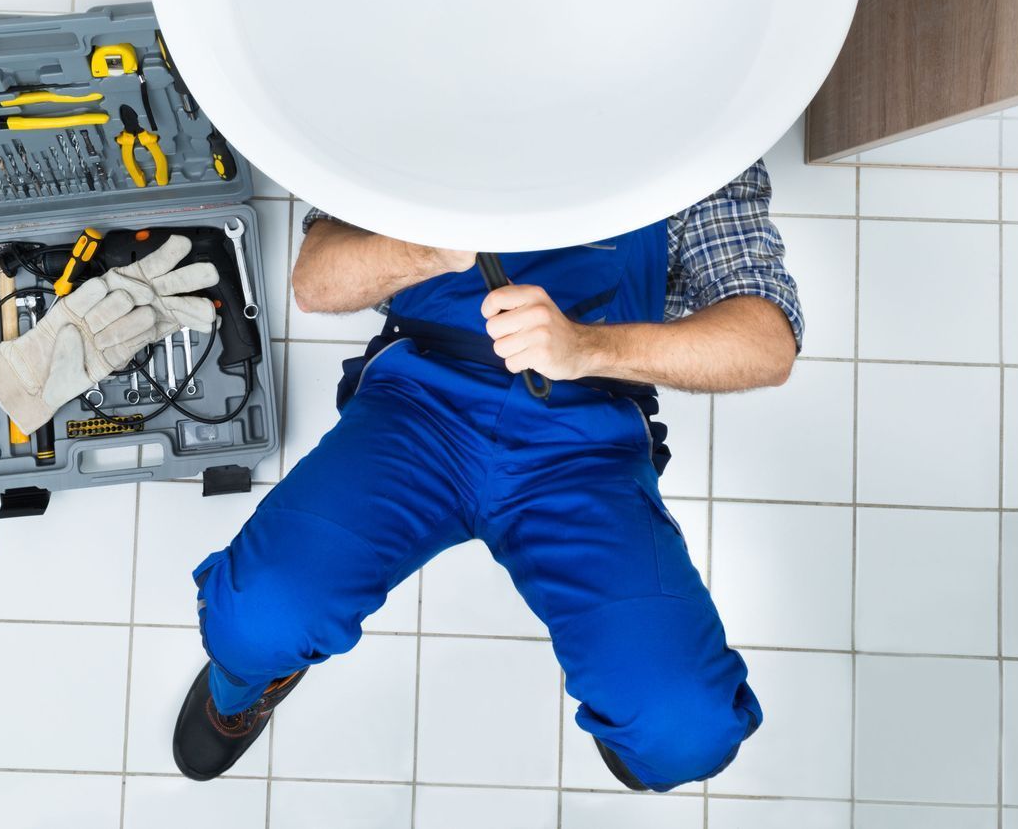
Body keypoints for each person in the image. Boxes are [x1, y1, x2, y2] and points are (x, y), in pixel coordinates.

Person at [171, 163, 803, 792]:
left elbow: (767, 342)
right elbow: (316, 281)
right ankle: (244, 689)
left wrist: (588, 347)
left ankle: (631, 705)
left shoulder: (698, 132)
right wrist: (425, 249)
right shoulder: (427, 95)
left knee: (682, 730)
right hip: (419, 407)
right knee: (257, 622)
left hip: (586, 443)